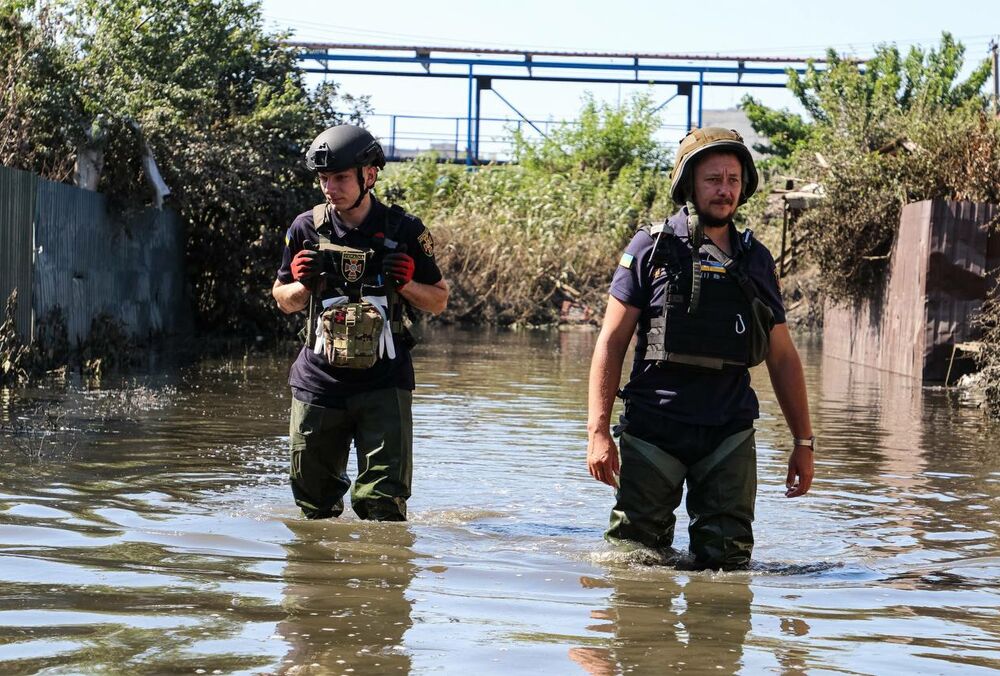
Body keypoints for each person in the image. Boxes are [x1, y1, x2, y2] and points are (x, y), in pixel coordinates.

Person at [586, 127, 814, 570]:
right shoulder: (650, 248)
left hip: (727, 432)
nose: (724, 190)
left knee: (727, 566)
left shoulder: (756, 260)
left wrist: (803, 441)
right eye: (713, 179)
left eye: (732, 179)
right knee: (634, 562)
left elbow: (782, 355)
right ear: (688, 182)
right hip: (654, 429)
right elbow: (611, 342)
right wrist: (597, 432)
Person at [273, 124, 448, 521]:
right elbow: (283, 300)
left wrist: (405, 283)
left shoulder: (406, 230)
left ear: (369, 175)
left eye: (339, 178)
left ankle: (381, 578)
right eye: (323, 179)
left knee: (383, 506)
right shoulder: (305, 228)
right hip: (319, 382)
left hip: (384, 383)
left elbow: (438, 299)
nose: (330, 188)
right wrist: (303, 285)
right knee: (313, 506)